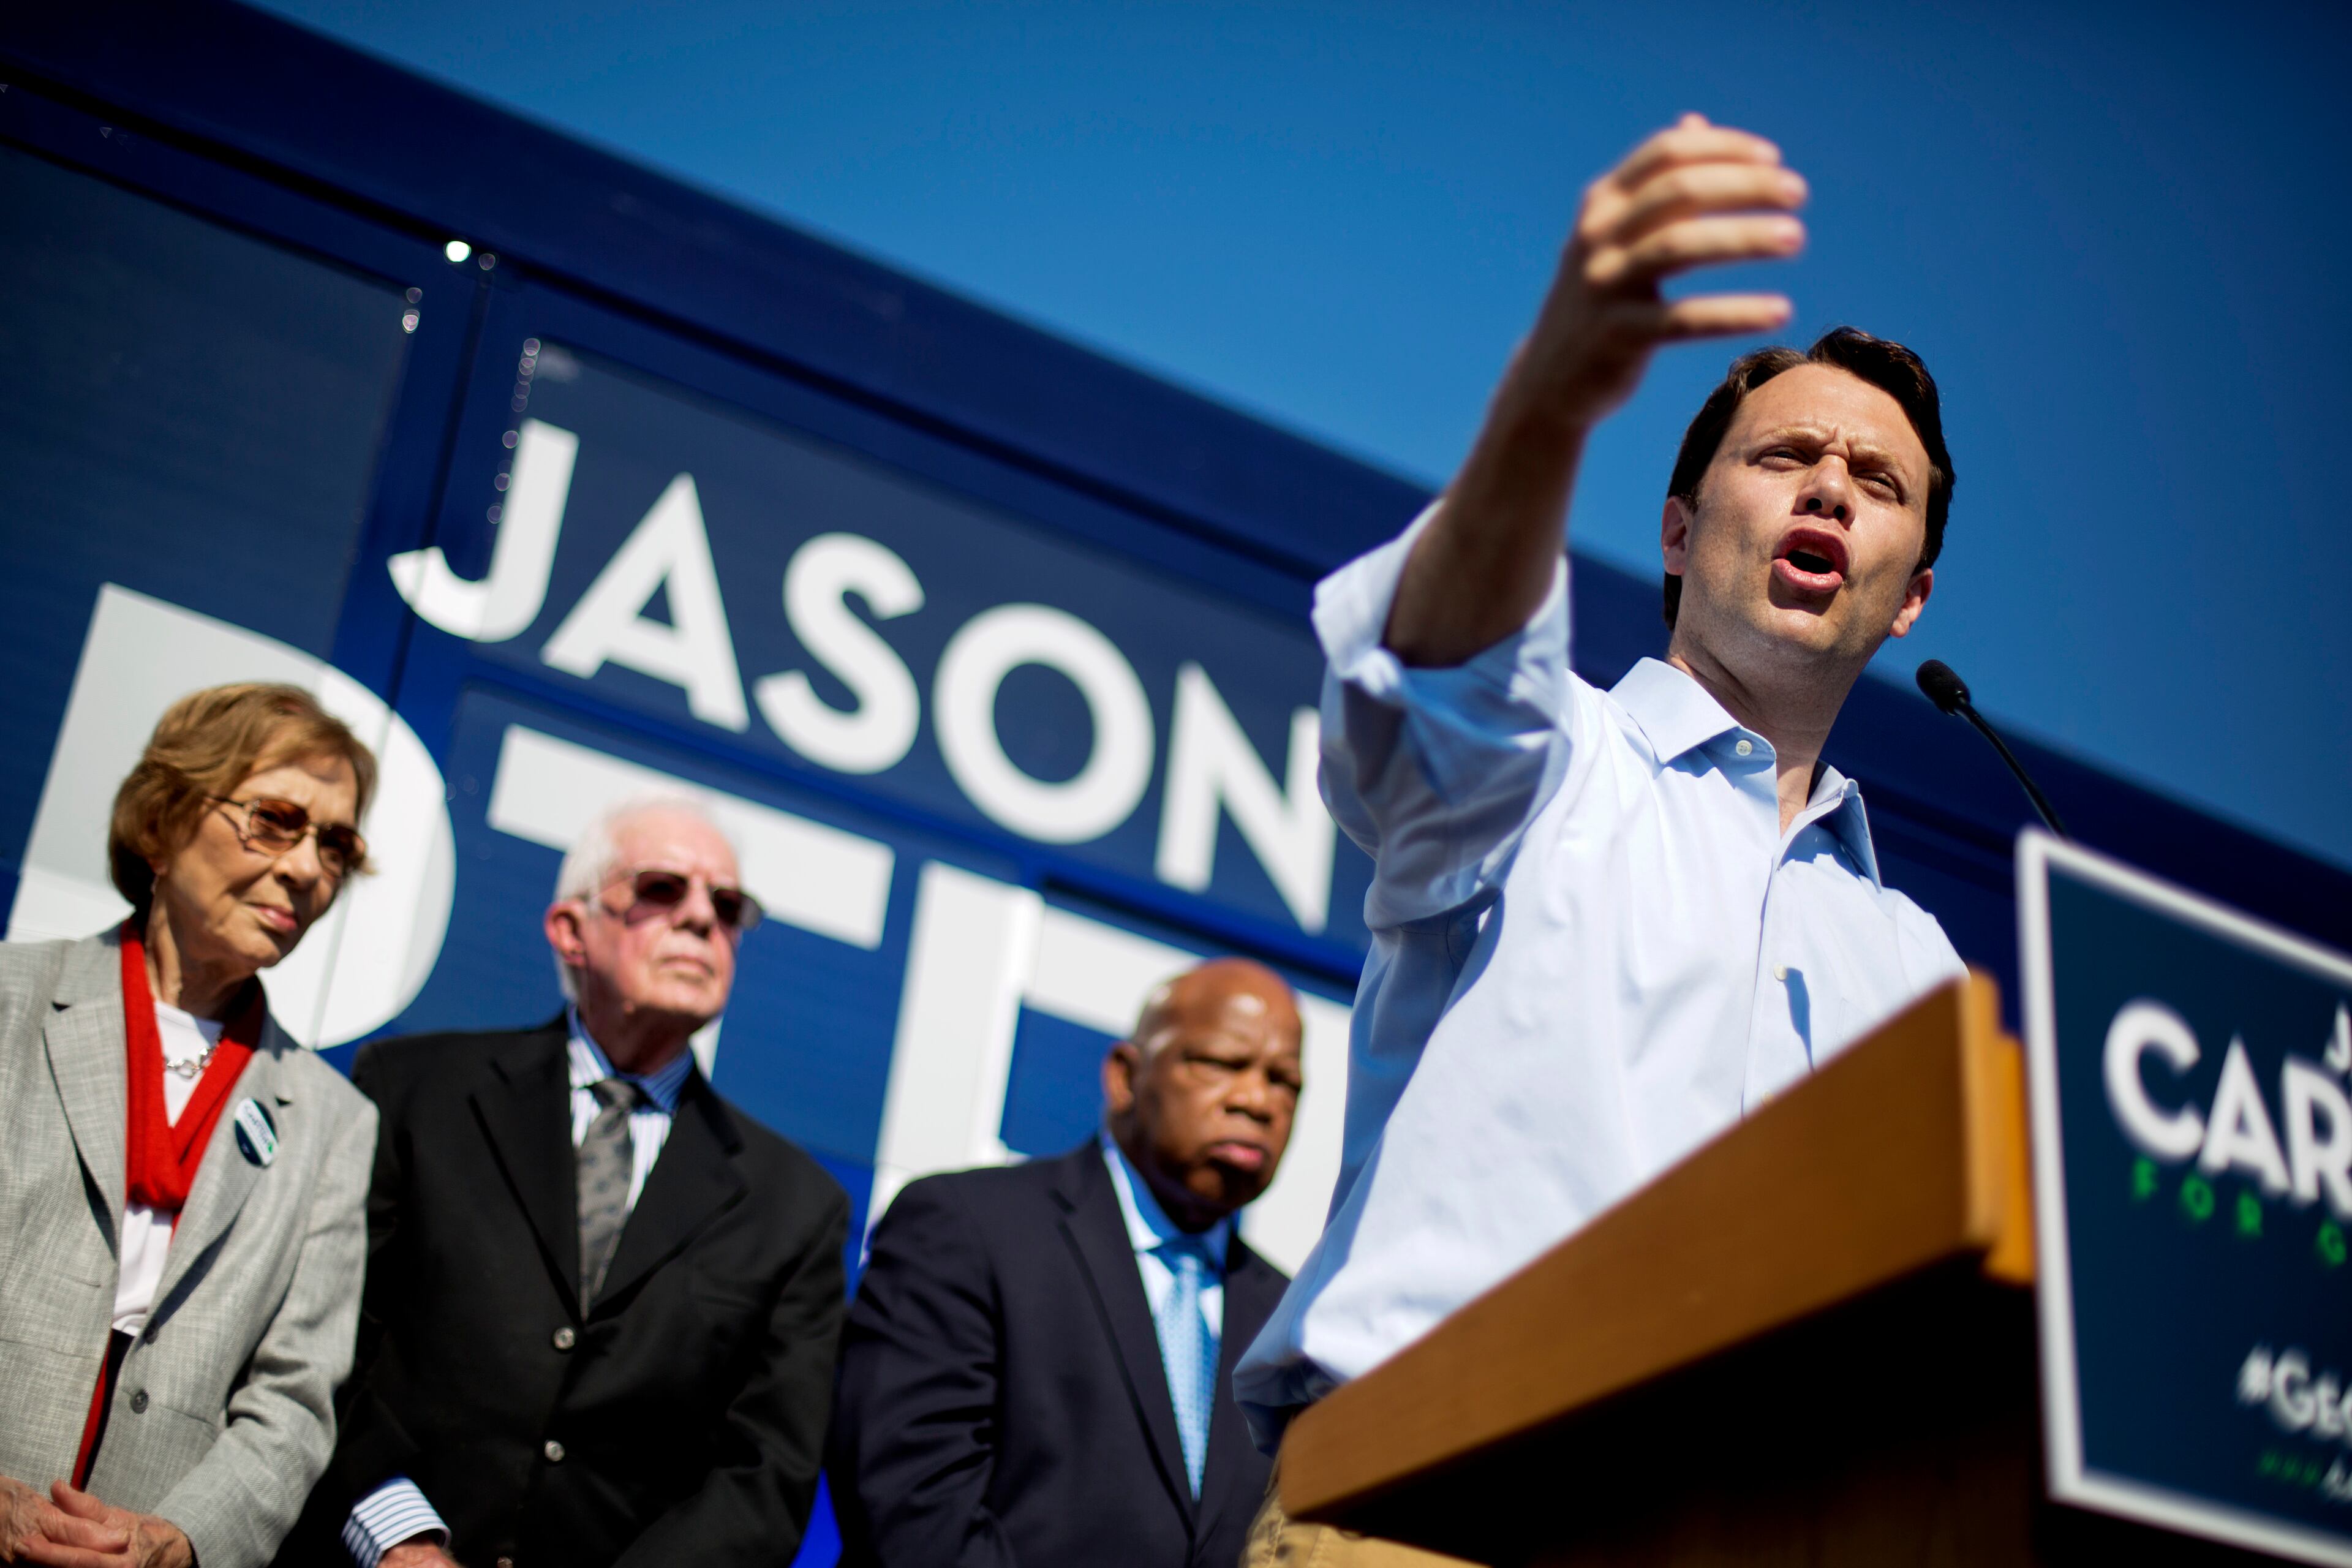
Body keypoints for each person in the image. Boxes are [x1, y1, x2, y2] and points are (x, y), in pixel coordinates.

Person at [1232, 115, 1969, 1560]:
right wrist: (1555, 390)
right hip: (1435, 1502)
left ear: (1909, 599)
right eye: (1785, 456)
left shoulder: (1920, 968)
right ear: (1682, 532)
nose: (1827, 486)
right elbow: (1433, 668)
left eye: (1874, 482)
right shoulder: (1550, 759)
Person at [277, 797, 850, 1568]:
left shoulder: (795, 1206)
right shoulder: (418, 1094)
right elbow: (322, 1343)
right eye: (661, 888)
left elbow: (764, 1479)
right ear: (570, 930)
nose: (700, 920)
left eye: (726, 904)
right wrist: (397, 1538)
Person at [0, 683, 381, 1568]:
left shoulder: (335, 1122)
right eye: (277, 820)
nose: (306, 869)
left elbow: (294, 1402)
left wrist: (179, 1544)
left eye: (336, 844)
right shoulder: (10, 1004)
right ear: (161, 825)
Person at [829, 957, 1304, 1568]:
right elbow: (912, 1504)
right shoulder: (969, 1226)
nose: (1256, 1100)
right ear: (1126, 1076)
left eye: (1284, 1080)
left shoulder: (1293, 1323)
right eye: (1221, 1063)